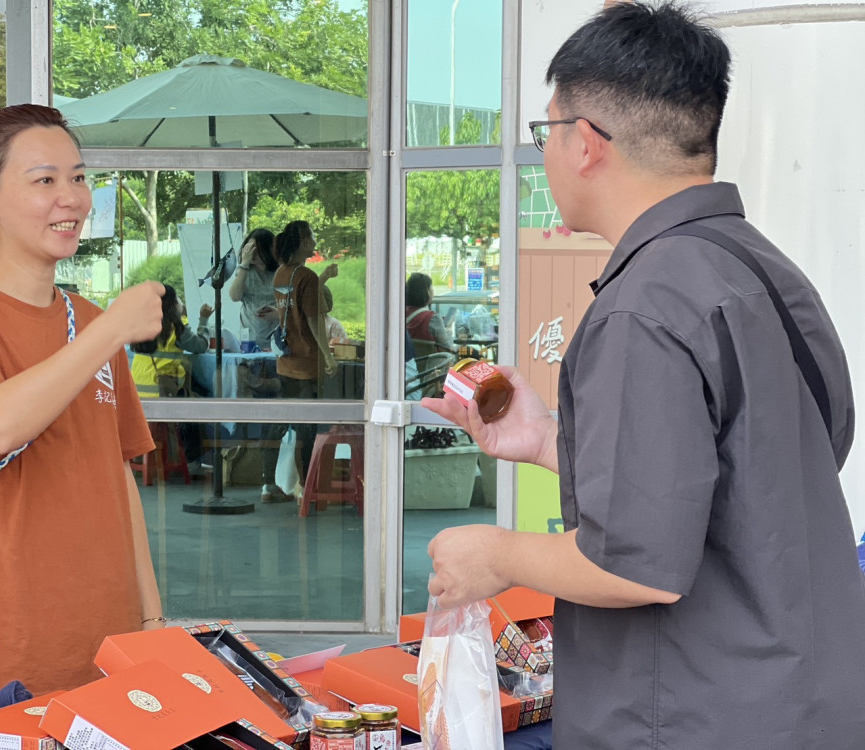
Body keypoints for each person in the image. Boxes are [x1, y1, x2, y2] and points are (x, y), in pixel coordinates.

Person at [423, 3, 865, 748]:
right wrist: (547, 440)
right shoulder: (761, 268)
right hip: (800, 701)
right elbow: (757, 474)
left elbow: (634, 567)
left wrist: (493, 555)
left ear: (586, 142)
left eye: (545, 131)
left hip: (690, 716)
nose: (544, 152)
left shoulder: (644, 303)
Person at [0, 104, 167, 694]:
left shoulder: (93, 320)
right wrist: (111, 331)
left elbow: (117, 476)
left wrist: (151, 621)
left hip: (106, 640)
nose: (71, 198)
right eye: (45, 180)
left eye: (78, 177)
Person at [262, 221, 337, 500]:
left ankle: (269, 485)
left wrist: (323, 278)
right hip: (307, 364)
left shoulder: (281, 274)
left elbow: (298, 303)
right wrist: (328, 356)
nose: (315, 241)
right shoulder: (305, 275)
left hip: (286, 363)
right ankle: (306, 489)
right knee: (308, 430)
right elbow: (314, 319)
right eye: (312, 236)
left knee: (281, 424)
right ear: (304, 241)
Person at [130, 285, 211, 398]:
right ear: (172, 304)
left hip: (136, 392)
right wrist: (203, 320)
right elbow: (200, 346)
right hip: (160, 393)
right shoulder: (175, 329)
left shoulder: (140, 328)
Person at [228, 228, 279, 350]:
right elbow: (235, 296)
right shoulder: (245, 271)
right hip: (250, 340)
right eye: (249, 248)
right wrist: (244, 264)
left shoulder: (280, 272)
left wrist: (278, 314)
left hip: (276, 339)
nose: (252, 253)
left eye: (256, 249)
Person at [405, 272, 454, 352]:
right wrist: (449, 330)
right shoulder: (433, 319)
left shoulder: (401, 314)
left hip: (409, 359)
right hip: (430, 360)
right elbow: (448, 349)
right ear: (428, 292)